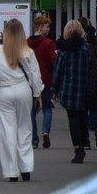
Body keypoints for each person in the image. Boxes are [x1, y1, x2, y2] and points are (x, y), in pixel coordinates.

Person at [0, 19, 43, 180]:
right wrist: (37, 94)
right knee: (25, 129)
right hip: (23, 89)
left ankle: (11, 171)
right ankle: (26, 169)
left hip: (5, 91)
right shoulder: (27, 52)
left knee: (7, 130)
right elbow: (35, 74)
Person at [52, 20, 92, 163]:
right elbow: (92, 68)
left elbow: (58, 71)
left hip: (69, 90)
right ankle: (85, 140)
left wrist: (54, 89)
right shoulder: (87, 48)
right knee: (83, 118)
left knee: (73, 120)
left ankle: (78, 148)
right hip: (85, 89)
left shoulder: (63, 50)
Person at [26, 16, 57, 149]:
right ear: (40, 27)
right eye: (47, 26)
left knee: (31, 111)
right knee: (47, 108)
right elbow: (54, 61)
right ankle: (45, 131)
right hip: (45, 80)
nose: (49, 29)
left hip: (29, 82)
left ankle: (34, 139)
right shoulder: (49, 43)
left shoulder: (26, 42)